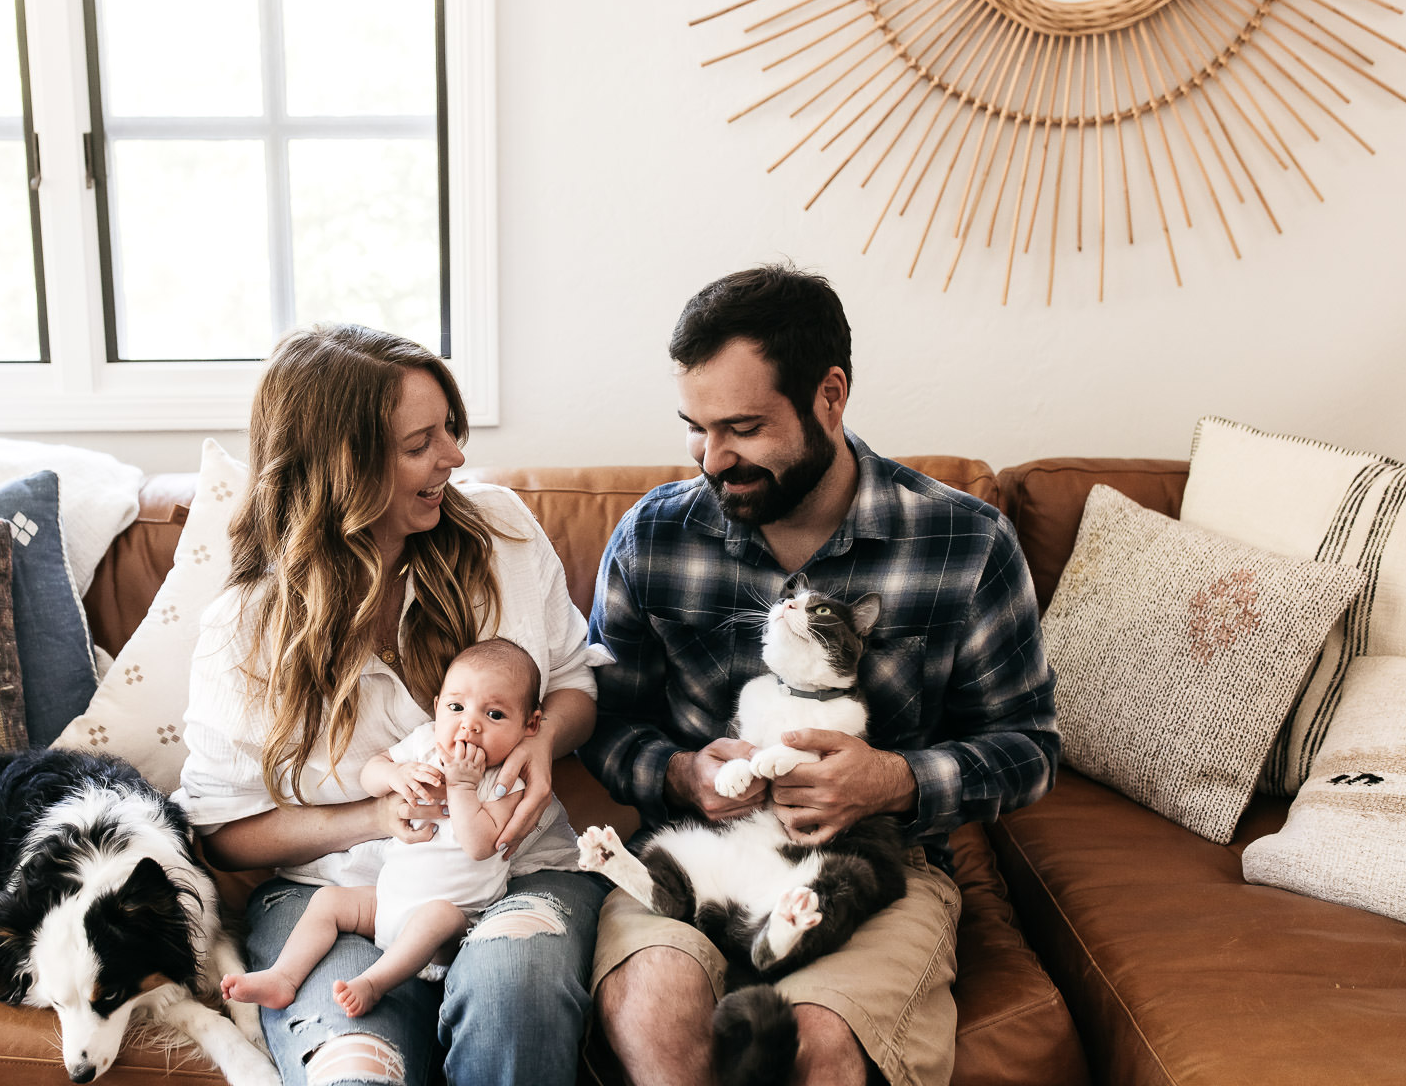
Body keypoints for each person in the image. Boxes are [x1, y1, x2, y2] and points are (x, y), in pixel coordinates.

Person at [578, 265, 1059, 1086]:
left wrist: (893, 780)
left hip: (871, 871)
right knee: (657, 1011)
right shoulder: (652, 536)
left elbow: (1029, 750)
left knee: (817, 1045)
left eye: (742, 428)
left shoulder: (964, 541)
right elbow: (603, 722)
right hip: (700, 850)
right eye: (695, 428)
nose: (713, 459)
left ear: (829, 396)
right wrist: (681, 773)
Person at [177, 324, 608, 1086]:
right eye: (419, 444)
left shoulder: (503, 535)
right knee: (354, 1069)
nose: (454, 457)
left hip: (519, 873)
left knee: (514, 995)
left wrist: (543, 743)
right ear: (342, 470)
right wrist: (374, 817)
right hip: (337, 893)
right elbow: (224, 832)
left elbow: (575, 683)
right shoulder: (245, 630)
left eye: (449, 429)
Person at [221, 638, 573, 1019]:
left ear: (530, 725)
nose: (469, 725)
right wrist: (394, 775)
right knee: (328, 902)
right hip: (388, 902)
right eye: (456, 707)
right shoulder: (425, 744)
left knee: (436, 915)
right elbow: (371, 772)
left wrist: (462, 787)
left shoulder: (509, 782)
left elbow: (480, 845)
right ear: (437, 707)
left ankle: (373, 983)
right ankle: (283, 977)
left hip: (452, 925)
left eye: (494, 715)